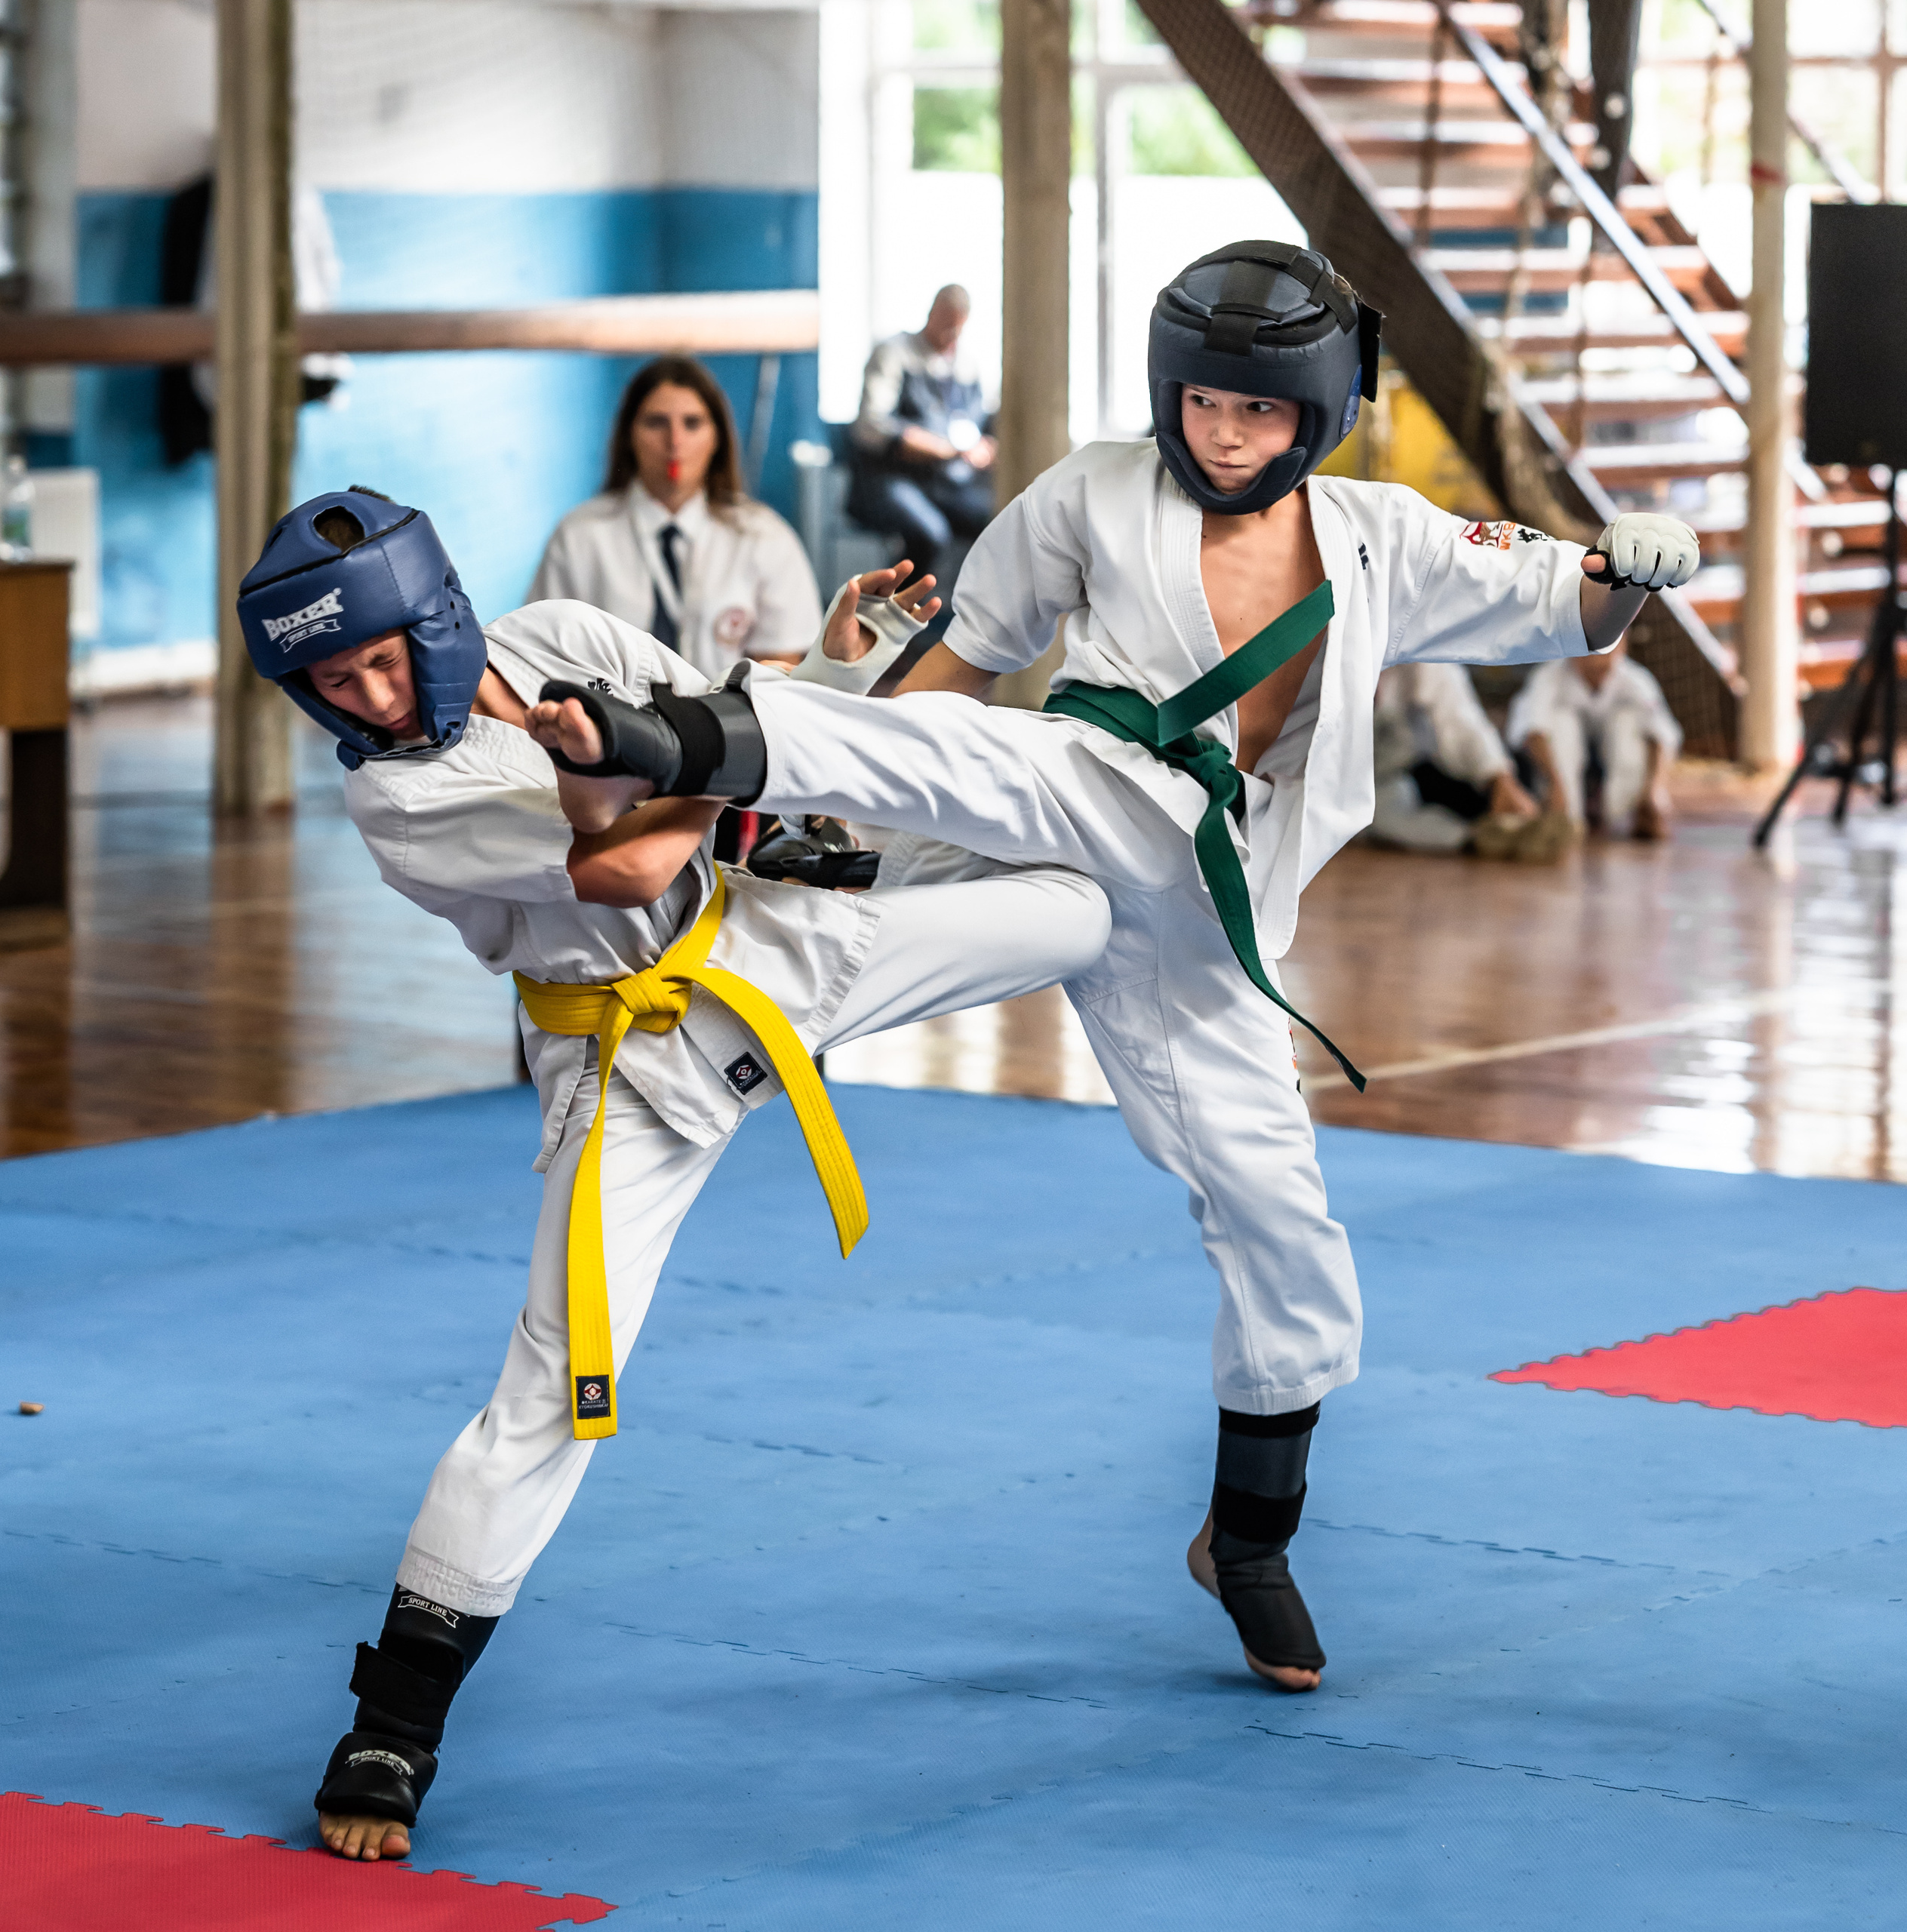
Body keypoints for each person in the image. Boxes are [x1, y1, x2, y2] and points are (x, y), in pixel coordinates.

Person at [524, 240, 1701, 1697]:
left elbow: (1556, 600)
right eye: (1203, 402)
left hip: (1205, 929)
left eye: (1260, 414)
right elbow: (963, 663)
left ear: (1318, 415)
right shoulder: (1090, 488)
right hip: (1064, 806)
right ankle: (680, 777)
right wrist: (855, 786)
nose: (1223, 433)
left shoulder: (1383, 539)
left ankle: (1250, 1539)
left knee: (1295, 1245)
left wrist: (1628, 577)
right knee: (1037, 773)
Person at [235, 488, 1111, 1862]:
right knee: (553, 1391)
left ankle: (1232, 803)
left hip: (770, 949)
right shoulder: (401, 799)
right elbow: (636, 852)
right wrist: (657, 753)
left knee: (1085, 898)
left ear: (438, 616)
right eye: (331, 682)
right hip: (626, 1071)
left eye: (381, 658)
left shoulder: (565, 632)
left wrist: (812, 673)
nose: (367, 697)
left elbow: (731, 742)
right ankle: (393, 1724)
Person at [528, 355, 821, 679]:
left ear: (717, 438)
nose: (675, 442)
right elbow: (540, 656)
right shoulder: (578, 537)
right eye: (656, 423)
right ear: (629, 435)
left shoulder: (765, 539)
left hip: (731, 726)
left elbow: (780, 670)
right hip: (603, 723)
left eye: (693, 423)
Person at [847, 284, 998, 586]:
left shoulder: (966, 367)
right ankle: (890, 620)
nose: (948, 336)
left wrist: (986, 448)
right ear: (931, 313)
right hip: (888, 480)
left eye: (956, 328)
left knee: (998, 525)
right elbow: (871, 426)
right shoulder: (893, 354)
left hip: (947, 483)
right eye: (944, 324)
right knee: (930, 534)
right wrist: (939, 449)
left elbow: (982, 427)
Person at [1369, 659, 1566, 860]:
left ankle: (1485, 836)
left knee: (1402, 802)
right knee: (1379, 818)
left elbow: (1459, 716)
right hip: (1348, 779)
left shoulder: (1417, 654)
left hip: (1393, 775)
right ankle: (1476, 838)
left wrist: (1500, 780)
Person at [1506, 639, 1681, 839]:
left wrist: (1654, 791)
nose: (1599, 668)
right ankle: (1567, 818)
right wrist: (1556, 784)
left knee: (1628, 723)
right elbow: (1533, 730)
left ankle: (1628, 815)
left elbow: (1660, 736)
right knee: (1562, 723)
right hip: (1559, 776)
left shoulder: (1636, 679)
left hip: (1609, 768)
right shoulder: (1548, 676)